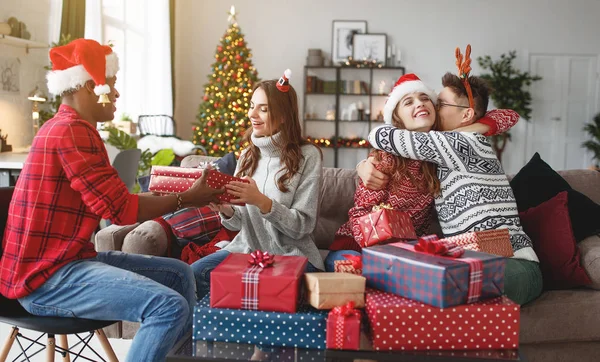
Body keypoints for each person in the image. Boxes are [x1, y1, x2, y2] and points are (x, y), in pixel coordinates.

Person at [0, 39, 223, 362]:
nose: (116, 93)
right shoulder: (73, 132)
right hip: (46, 279)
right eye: (113, 83)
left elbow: (117, 199)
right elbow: (120, 210)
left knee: (180, 274)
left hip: (62, 264)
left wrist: (180, 194)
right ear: (92, 86)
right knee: (168, 306)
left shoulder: (62, 127)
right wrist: (187, 199)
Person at [363, 46, 542, 305]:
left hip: (515, 267)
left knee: (431, 284)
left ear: (466, 114)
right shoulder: (452, 144)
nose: (431, 106)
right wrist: (365, 163)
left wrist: (473, 128)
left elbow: (379, 134)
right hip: (482, 260)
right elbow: (505, 116)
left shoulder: (459, 143)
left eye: (440, 103)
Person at [325, 73, 519, 272]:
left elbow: (509, 116)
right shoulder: (387, 157)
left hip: (406, 253)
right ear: (397, 117)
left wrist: (470, 129)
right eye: (408, 102)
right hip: (357, 247)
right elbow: (360, 214)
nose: (420, 104)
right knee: (364, 273)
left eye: (428, 100)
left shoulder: (443, 153)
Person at [191, 70, 325, 300]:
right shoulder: (247, 155)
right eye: (252, 105)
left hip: (291, 256)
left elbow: (303, 225)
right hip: (246, 251)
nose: (252, 114)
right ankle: (217, 334)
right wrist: (225, 208)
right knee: (195, 274)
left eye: (263, 108)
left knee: (271, 289)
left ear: (283, 115)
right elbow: (238, 224)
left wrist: (261, 201)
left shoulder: (308, 156)